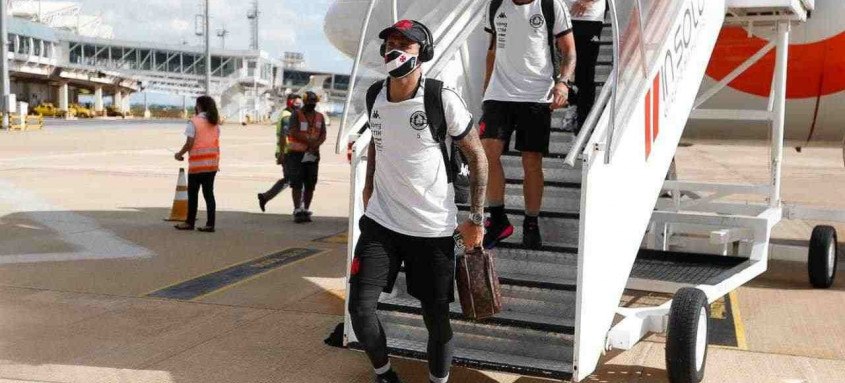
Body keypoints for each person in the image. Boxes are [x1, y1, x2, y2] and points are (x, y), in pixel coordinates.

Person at [348, 19, 488, 383]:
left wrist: (476, 217)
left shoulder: (441, 98)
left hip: (431, 230)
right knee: (360, 310)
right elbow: (378, 144)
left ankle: (437, 381)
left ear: (422, 53)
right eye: (390, 43)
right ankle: (384, 374)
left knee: (436, 320)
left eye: (404, 44)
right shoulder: (374, 95)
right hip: (382, 223)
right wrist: (368, 186)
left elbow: (477, 156)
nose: (393, 50)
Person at [481, 0, 576, 249]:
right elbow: (491, 52)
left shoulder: (551, 6)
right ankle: (498, 218)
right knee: (487, 153)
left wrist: (563, 82)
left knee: (531, 161)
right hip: (499, 93)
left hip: (536, 95)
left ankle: (531, 221)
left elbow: (569, 51)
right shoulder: (495, 5)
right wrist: (485, 95)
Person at [173, 95, 221, 233]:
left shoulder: (194, 122)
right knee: (209, 195)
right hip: (212, 164)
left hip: (197, 165)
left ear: (199, 106)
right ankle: (210, 224)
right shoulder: (214, 123)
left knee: (193, 194)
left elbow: (189, 143)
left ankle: (189, 222)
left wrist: (179, 154)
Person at [257, 94, 302, 212]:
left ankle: (265, 196)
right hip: (287, 153)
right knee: (296, 180)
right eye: (297, 103)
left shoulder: (291, 115)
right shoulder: (287, 116)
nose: (299, 105)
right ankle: (299, 208)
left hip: (290, 152)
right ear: (290, 103)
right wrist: (282, 154)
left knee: (289, 179)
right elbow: (283, 136)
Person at [286, 91, 326, 223]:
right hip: (297, 154)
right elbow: (293, 131)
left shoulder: (320, 117)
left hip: (313, 154)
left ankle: (306, 209)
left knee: (310, 183)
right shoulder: (296, 115)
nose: (311, 104)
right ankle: (297, 208)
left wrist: (316, 144)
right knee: (297, 182)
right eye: (309, 102)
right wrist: (309, 142)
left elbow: (323, 134)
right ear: (304, 101)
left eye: (314, 102)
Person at [566, 0, 606, 133]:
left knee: (585, 72)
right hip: (564, 15)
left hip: (590, 18)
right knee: (563, 67)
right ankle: (573, 104)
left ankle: (583, 124)